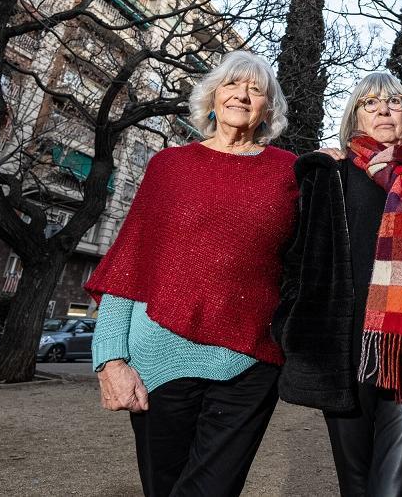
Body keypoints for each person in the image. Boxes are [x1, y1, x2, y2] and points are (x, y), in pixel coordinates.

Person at [84, 51, 298, 497]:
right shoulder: (169, 166)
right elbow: (129, 263)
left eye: (255, 89)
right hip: (158, 358)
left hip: (250, 362)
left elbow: (314, 256)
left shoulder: (291, 172)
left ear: (267, 109)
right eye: (231, 85)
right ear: (213, 98)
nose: (242, 94)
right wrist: (109, 358)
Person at [274, 72, 402, 497]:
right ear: (355, 117)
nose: (383, 111)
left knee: (393, 489)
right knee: (355, 486)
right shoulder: (332, 173)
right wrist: (289, 328)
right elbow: (298, 260)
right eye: (370, 104)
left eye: (394, 102)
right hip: (343, 355)